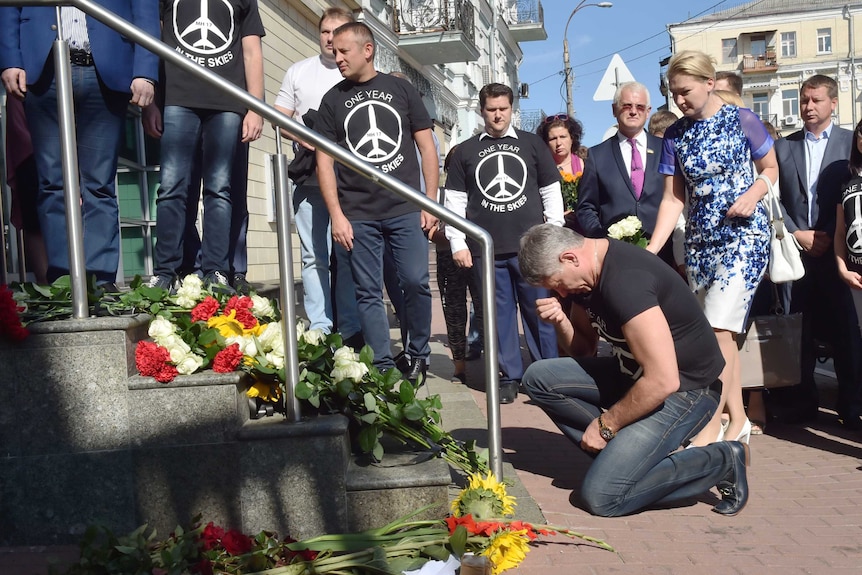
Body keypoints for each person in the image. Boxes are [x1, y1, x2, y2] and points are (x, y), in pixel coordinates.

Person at [518, 224, 749, 518]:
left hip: (688, 390)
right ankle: (624, 461)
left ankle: (720, 459)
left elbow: (664, 380)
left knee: (602, 498)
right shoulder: (587, 278)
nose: (561, 292)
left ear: (570, 258)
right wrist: (562, 322)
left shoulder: (626, 281)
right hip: (634, 376)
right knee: (539, 378)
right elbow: (583, 349)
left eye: (558, 283)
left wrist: (607, 425)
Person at [647, 50, 777, 447]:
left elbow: (771, 168)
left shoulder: (743, 120)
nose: (680, 101)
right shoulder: (674, 135)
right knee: (721, 336)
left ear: (709, 82)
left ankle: (710, 423)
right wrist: (651, 250)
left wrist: (753, 195)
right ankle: (736, 419)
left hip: (745, 237)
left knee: (719, 326)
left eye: (685, 92)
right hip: (702, 243)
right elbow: (673, 200)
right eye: (673, 94)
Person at [0, 3, 160, 290]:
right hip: (43, 68)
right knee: (52, 182)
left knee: (99, 184)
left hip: (106, 69)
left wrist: (146, 70)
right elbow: (9, 5)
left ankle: (100, 280)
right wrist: (10, 59)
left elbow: (145, 9)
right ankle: (64, 282)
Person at [316, 22, 438, 384]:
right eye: (333, 51)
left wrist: (430, 203)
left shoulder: (401, 88)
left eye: (343, 51)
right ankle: (382, 365)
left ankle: (418, 354)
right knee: (368, 292)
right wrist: (336, 215)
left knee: (415, 282)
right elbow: (324, 160)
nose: (336, 58)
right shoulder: (333, 99)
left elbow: (427, 146)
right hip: (358, 214)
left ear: (366, 50)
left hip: (405, 207)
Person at [444, 82, 563, 404]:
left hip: (532, 249)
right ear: (481, 111)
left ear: (512, 110)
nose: (497, 115)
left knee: (540, 312)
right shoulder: (466, 152)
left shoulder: (533, 145)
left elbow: (551, 190)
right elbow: (453, 201)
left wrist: (553, 234)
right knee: (499, 318)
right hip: (486, 251)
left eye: (503, 109)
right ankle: (510, 375)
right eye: (491, 109)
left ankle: (546, 375)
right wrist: (457, 242)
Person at [143, 0, 264, 296]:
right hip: (177, 100)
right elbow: (153, 45)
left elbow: (251, 52)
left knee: (219, 189)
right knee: (171, 187)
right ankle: (165, 273)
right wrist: (152, 104)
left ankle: (216, 271)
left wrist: (256, 108)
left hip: (227, 103)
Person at [775, 74, 862, 429]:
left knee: (847, 331)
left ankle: (852, 404)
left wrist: (827, 234)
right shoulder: (784, 147)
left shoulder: (850, 143)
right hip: (797, 253)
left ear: (833, 103)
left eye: (816, 101)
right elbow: (774, 199)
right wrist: (798, 234)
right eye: (804, 100)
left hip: (840, 254)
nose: (808, 107)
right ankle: (802, 402)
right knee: (799, 332)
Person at [273, 7, 361, 342]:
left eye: (337, 32)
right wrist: (303, 136)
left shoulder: (353, 72)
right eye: (325, 31)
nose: (329, 38)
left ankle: (351, 328)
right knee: (313, 256)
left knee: (348, 254)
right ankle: (320, 327)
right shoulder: (299, 71)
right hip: (310, 176)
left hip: (351, 181)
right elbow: (279, 116)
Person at [577, 82, 675, 267]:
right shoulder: (597, 156)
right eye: (627, 106)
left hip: (663, 253)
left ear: (648, 111)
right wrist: (601, 237)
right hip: (616, 255)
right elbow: (586, 207)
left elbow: (676, 198)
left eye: (639, 107)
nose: (633, 111)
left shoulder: (665, 150)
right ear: (615, 110)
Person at [430, 146, 484, 384]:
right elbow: (429, 230)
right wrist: (451, 237)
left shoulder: (481, 192)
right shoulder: (441, 196)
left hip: (479, 257)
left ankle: (493, 362)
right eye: (453, 167)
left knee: (485, 309)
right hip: (448, 258)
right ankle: (459, 367)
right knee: (454, 312)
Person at [835, 118, 862, 356]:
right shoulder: (847, 181)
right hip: (856, 276)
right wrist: (843, 269)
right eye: (861, 134)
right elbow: (840, 232)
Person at [536, 114, 585, 230]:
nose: (558, 143)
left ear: (572, 138)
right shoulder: (540, 169)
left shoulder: (585, 164)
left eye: (563, 137)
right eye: (553, 139)